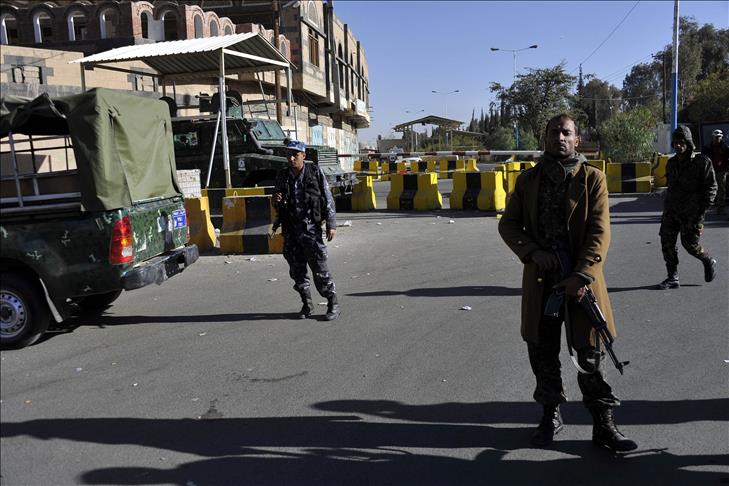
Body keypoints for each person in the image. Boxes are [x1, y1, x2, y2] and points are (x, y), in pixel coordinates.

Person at [498, 114, 637, 453]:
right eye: (553, 132)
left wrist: (581, 275)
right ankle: (550, 415)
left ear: (577, 140)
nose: (559, 137)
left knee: (590, 356)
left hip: (581, 284)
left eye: (566, 133)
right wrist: (533, 252)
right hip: (542, 282)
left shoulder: (592, 179)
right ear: (545, 137)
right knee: (542, 353)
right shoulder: (528, 181)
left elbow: (599, 232)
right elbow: (509, 225)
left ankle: (604, 425)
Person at [273, 140, 340, 321]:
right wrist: (277, 199)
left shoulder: (314, 172)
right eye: (288, 155)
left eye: (295, 155)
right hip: (290, 230)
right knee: (297, 270)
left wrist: (331, 224)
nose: (291, 158)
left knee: (319, 268)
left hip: (310, 230)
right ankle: (307, 304)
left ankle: (332, 303)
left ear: (303, 155)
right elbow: (277, 202)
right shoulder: (283, 175)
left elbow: (327, 198)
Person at [657, 126, 717, 290]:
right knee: (667, 242)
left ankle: (707, 259)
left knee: (690, 245)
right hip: (672, 211)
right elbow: (671, 186)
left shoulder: (701, 162)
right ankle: (672, 277)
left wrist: (702, 210)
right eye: (675, 142)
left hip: (692, 213)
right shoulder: (671, 163)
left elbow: (711, 187)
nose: (678, 145)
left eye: (681, 142)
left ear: (688, 143)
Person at [701, 129, 729, 214]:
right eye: (716, 137)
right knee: (709, 188)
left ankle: (721, 208)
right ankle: (707, 207)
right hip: (709, 171)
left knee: (721, 189)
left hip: (721, 171)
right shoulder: (707, 147)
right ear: (713, 137)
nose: (717, 138)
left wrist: (726, 169)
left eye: (719, 137)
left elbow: (727, 159)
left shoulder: (725, 147)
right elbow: (703, 159)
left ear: (721, 137)